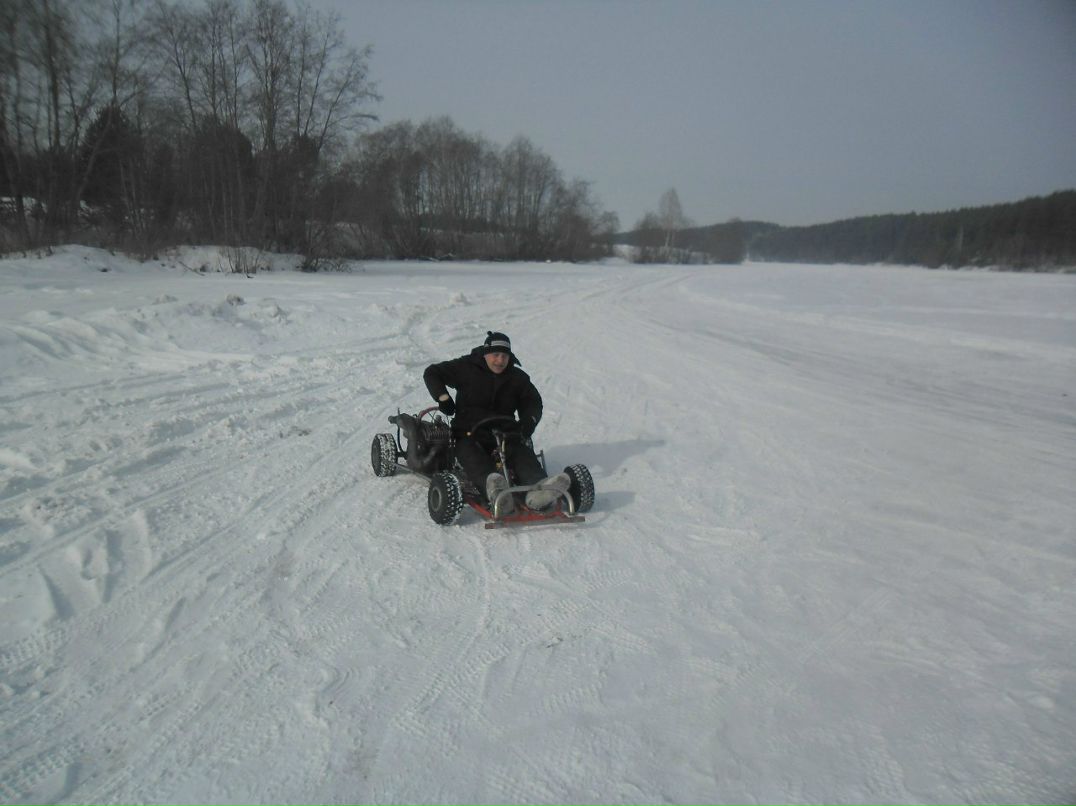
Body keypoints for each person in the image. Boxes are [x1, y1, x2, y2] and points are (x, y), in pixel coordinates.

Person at [423, 331, 569, 513]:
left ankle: (538, 491)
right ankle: (496, 492)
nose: (500, 361)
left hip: (506, 432)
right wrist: (443, 398)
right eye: (495, 355)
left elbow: (532, 402)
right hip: (469, 433)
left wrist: (528, 421)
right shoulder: (466, 368)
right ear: (486, 354)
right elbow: (432, 373)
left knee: (521, 454)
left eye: (504, 356)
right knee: (472, 456)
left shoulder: (517, 378)